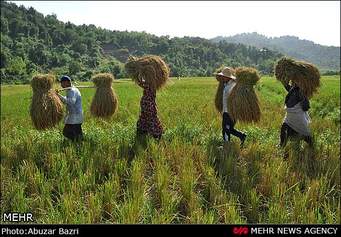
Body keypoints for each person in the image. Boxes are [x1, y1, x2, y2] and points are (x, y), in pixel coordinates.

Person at [216, 67, 246, 146]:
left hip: (229, 113)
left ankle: (227, 146)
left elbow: (234, 101)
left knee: (226, 129)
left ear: (227, 77)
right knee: (230, 129)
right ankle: (242, 136)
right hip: (228, 112)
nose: (222, 77)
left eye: (223, 76)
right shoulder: (228, 84)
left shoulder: (231, 87)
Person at [279, 81, 313, 147]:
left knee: (303, 131)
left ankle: (311, 144)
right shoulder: (293, 89)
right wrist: (283, 78)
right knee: (284, 128)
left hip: (298, 115)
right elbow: (287, 86)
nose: (293, 82)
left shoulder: (301, 91)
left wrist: (303, 100)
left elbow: (306, 106)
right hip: (290, 115)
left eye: (295, 81)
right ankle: (282, 145)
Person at [56, 75, 84, 142]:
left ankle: (77, 144)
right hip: (74, 116)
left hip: (75, 116)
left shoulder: (72, 91)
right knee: (76, 133)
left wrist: (58, 95)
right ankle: (79, 144)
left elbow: (71, 102)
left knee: (67, 132)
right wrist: (58, 96)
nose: (61, 85)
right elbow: (67, 100)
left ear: (67, 82)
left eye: (62, 83)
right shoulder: (69, 90)